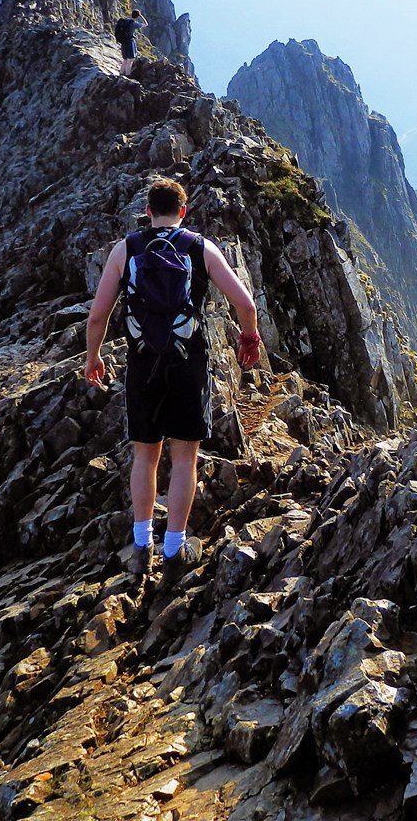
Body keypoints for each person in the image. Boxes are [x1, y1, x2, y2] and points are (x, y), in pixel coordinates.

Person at [84, 176, 264, 580]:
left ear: (148, 212)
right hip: (188, 362)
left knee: (145, 456)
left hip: (143, 364)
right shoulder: (200, 247)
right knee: (185, 457)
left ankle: (142, 546)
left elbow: (98, 315)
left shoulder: (125, 249)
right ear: (183, 211)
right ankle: (174, 551)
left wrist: (93, 357)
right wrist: (248, 338)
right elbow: (245, 304)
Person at [114, 9, 145, 77]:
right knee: (130, 60)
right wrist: (141, 16)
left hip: (123, 42)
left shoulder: (125, 20)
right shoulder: (134, 23)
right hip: (130, 42)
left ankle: (121, 74)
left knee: (125, 60)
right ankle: (127, 75)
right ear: (137, 16)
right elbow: (146, 24)